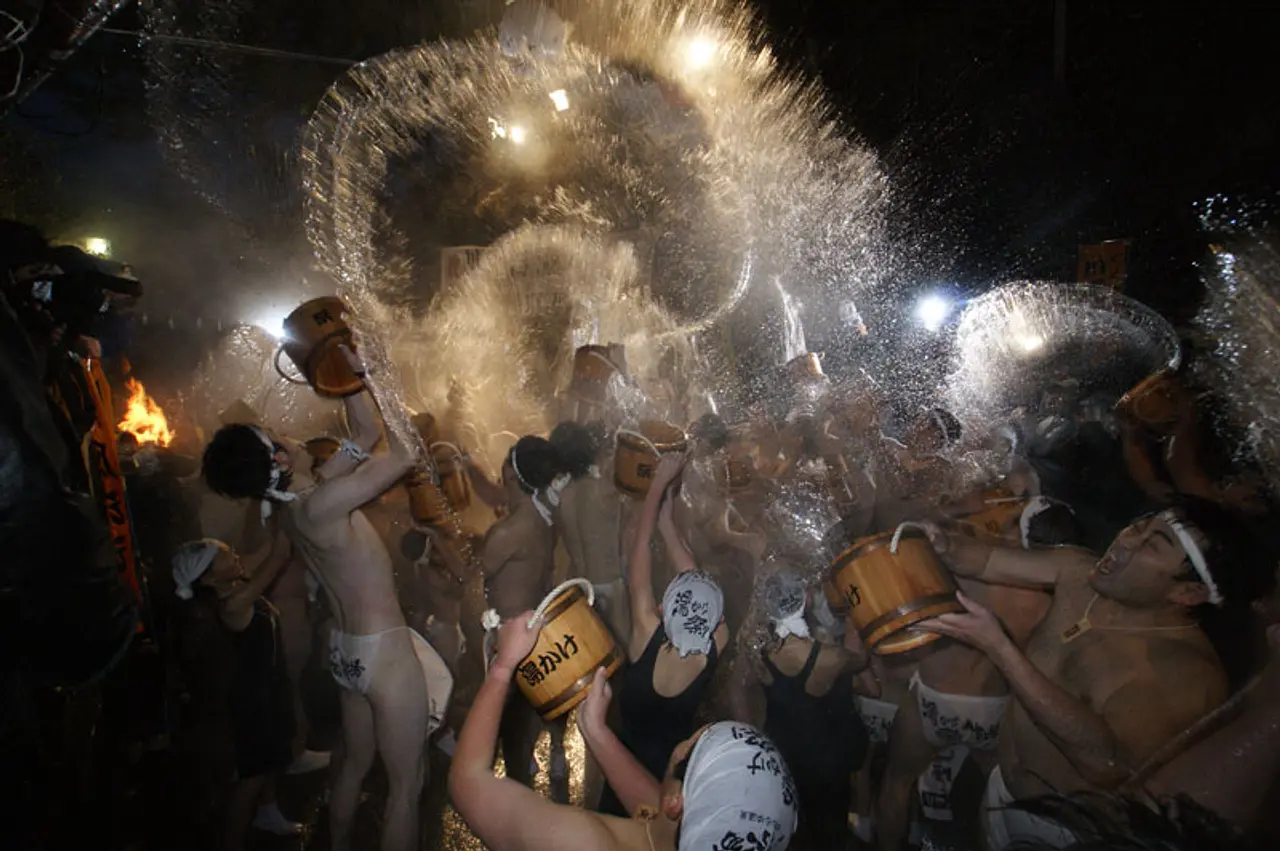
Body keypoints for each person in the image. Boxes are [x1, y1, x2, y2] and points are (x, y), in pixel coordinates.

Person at [201, 345, 445, 851]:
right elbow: (404, 451)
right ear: (279, 457)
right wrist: (380, 373)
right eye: (274, 435)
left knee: (353, 763)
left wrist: (348, 373)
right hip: (384, 652)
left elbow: (367, 437)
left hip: (348, 652)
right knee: (407, 785)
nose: (284, 432)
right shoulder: (323, 501)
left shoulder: (300, 504)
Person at [917, 500, 1262, 850]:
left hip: (1066, 832)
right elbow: (982, 560)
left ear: (1187, 592)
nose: (1125, 541)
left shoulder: (1184, 674)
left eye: (1152, 545)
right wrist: (942, 542)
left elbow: (1105, 765)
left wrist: (1001, 649)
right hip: (1002, 786)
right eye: (1137, 526)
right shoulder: (1078, 569)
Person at [449, 610, 798, 851]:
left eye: (695, 744)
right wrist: (596, 732)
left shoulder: (579, 842)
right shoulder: (685, 835)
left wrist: (503, 667)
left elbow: (467, 782)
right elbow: (658, 812)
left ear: (677, 800)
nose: (689, 738)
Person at [598, 453, 730, 816]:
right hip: (673, 776)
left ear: (664, 609)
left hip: (626, 765)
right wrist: (667, 523)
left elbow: (639, 554)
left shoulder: (645, 633)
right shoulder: (718, 642)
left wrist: (656, 487)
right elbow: (702, 591)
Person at [171, 537, 303, 850]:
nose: (235, 557)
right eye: (227, 556)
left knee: (269, 762)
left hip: (266, 690)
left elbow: (266, 553)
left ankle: (268, 813)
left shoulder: (232, 588)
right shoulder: (233, 604)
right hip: (250, 704)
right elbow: (278, 554)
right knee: (251, 780)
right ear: (208, 576)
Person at [732, 569, 869, 849]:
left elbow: (736, 691)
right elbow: (861, 661)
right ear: (806, 600)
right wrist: (854, 618)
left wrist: (754, 742)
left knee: (790, 826)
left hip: (781, 751)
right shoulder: (831, 657)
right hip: (825, 758)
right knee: (829, 829)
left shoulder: (758, 650)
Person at [477, 435, 566, 794]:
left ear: (510, 475)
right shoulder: (543, 518)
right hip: (528, 629)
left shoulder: (510, 531)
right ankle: (522, 780)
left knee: (509, 730)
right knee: (520, 721)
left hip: (509, 639)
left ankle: (516, 804)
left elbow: (474, 577)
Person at [549, 420, 628, 638]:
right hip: (608, 583)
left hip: (577, 585)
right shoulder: (604, 490)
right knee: (621, 655)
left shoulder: (559, 497)